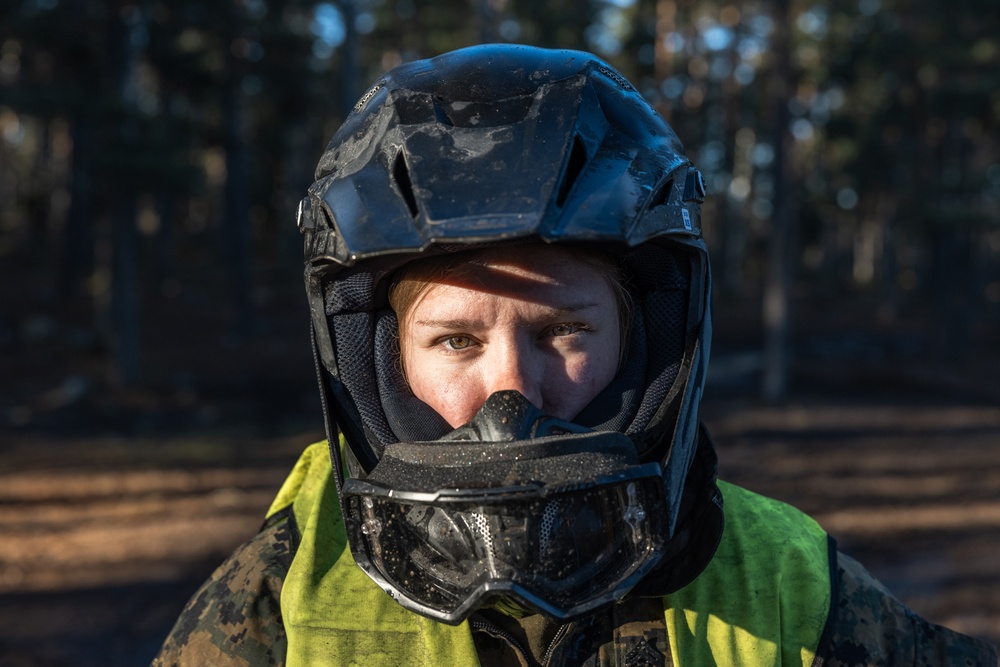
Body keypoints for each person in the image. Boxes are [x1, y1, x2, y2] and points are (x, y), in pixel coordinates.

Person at [153, 45, 997, 666]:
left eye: (564, 331)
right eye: (456, 339)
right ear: (376, 360)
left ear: (646, 341)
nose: (512, 386)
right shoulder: (289, 588)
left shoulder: (782, 578)